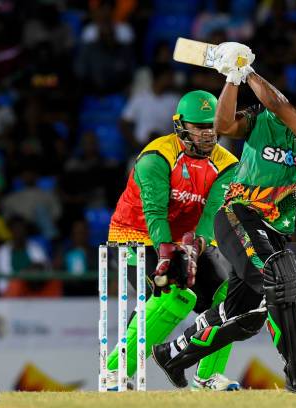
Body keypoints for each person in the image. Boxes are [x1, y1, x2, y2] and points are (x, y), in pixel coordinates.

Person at [152, 42, 296, 393]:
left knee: (248, 316)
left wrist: (246, 71)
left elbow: (279, 104)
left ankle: (172, 354)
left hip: (274, 230)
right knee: (280, 282)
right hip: (239, 214)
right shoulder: (262, 118)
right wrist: (231, 79)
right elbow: (224, 125)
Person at [105, 90, 240, 391]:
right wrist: (167, 253)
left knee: (231, 298)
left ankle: (207, 378)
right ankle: (114, 372)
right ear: (181, 126)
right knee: (175, 296)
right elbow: (153, 213)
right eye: (200, 127)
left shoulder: (228, 164)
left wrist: (195, 246)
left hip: (188, 239)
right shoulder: (156, 157)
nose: (208, 134)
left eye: (213, 126)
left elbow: (211, 216)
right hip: (135, 236)